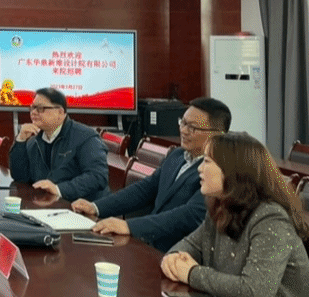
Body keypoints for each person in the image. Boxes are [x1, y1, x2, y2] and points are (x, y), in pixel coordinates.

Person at [161, 132, 309, 297]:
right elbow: (184, 247)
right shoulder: (220, 207)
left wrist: (192, 274)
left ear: (233, 171)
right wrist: (173, 261)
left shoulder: (271, 219)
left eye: (208, 162)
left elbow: (256, 293)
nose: (200, 169)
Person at [71, 97, 232, 251]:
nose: (183, 130)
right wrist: (96, 207)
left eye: (193, 128)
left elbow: (189, 216)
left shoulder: (217, 172)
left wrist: (129, 226)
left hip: (180, 253)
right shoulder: (177, 155)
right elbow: (145, 189)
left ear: (217, 134)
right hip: (149, 244)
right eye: (183, 122)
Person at [8, 87, 109, 201]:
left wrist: (59, 189)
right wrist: (20, 141)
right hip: (47, 204)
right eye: (32, 108)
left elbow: (97, 177)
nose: (33, 112)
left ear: (60, 112)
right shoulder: (34, 141)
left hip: (81, 206)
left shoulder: (86, 137)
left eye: (40, 108)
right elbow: (20, 177)